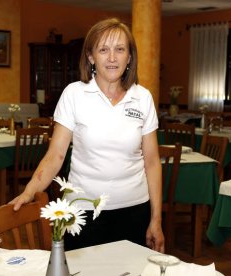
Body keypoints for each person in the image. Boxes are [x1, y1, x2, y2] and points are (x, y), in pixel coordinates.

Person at [11, 17, 164, 253]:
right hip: (83, 212)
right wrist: (30, 190)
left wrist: (156, 219)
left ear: (129, 56)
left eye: (120, 49)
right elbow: (55, 156)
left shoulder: (143, 98)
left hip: (135, 210)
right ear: (91, 56)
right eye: (104, 50)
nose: (112, 58)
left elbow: (152, 162)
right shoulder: (74, 94)